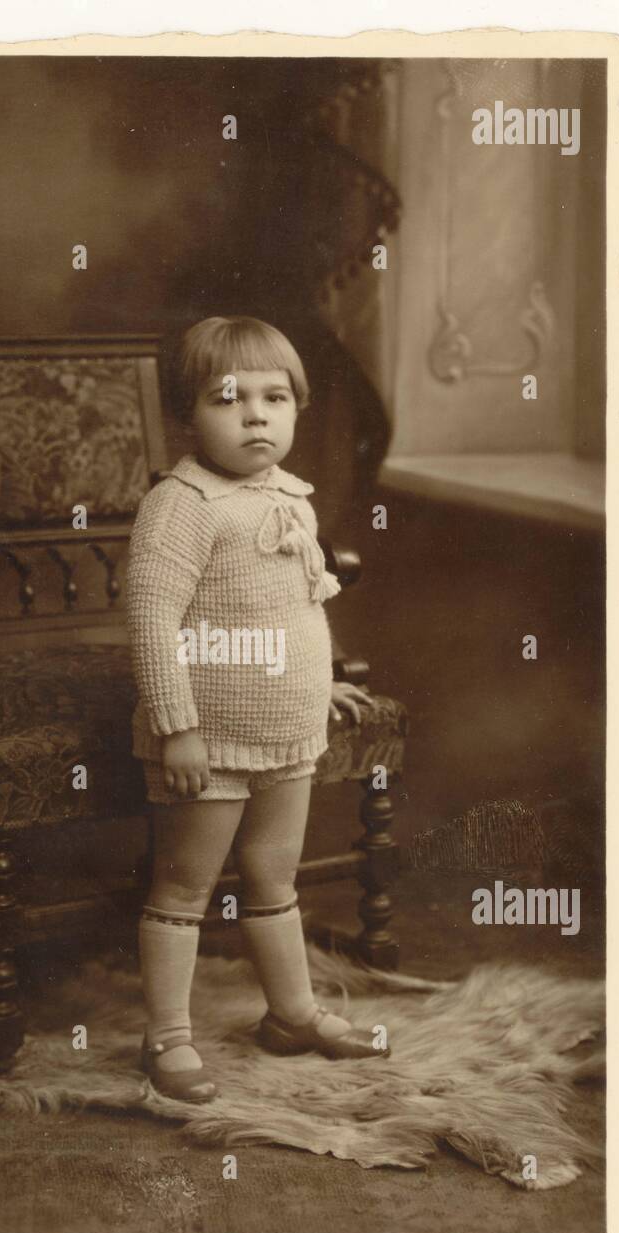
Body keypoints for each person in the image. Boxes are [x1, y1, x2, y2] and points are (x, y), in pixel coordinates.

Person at [126, 315, 390, 1103]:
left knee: (275, 877)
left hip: (287, 732)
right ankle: (166, 1037)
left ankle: (292, 1013)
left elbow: (296, 607)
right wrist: (176, 727)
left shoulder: (290, 499)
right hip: (205, 738)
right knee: (183, 884)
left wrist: (323, 679)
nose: (255, 415)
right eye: (228, 398)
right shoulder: (183, 506)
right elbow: (149, 621)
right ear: (187, 415)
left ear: (297, 408)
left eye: (275, 397)